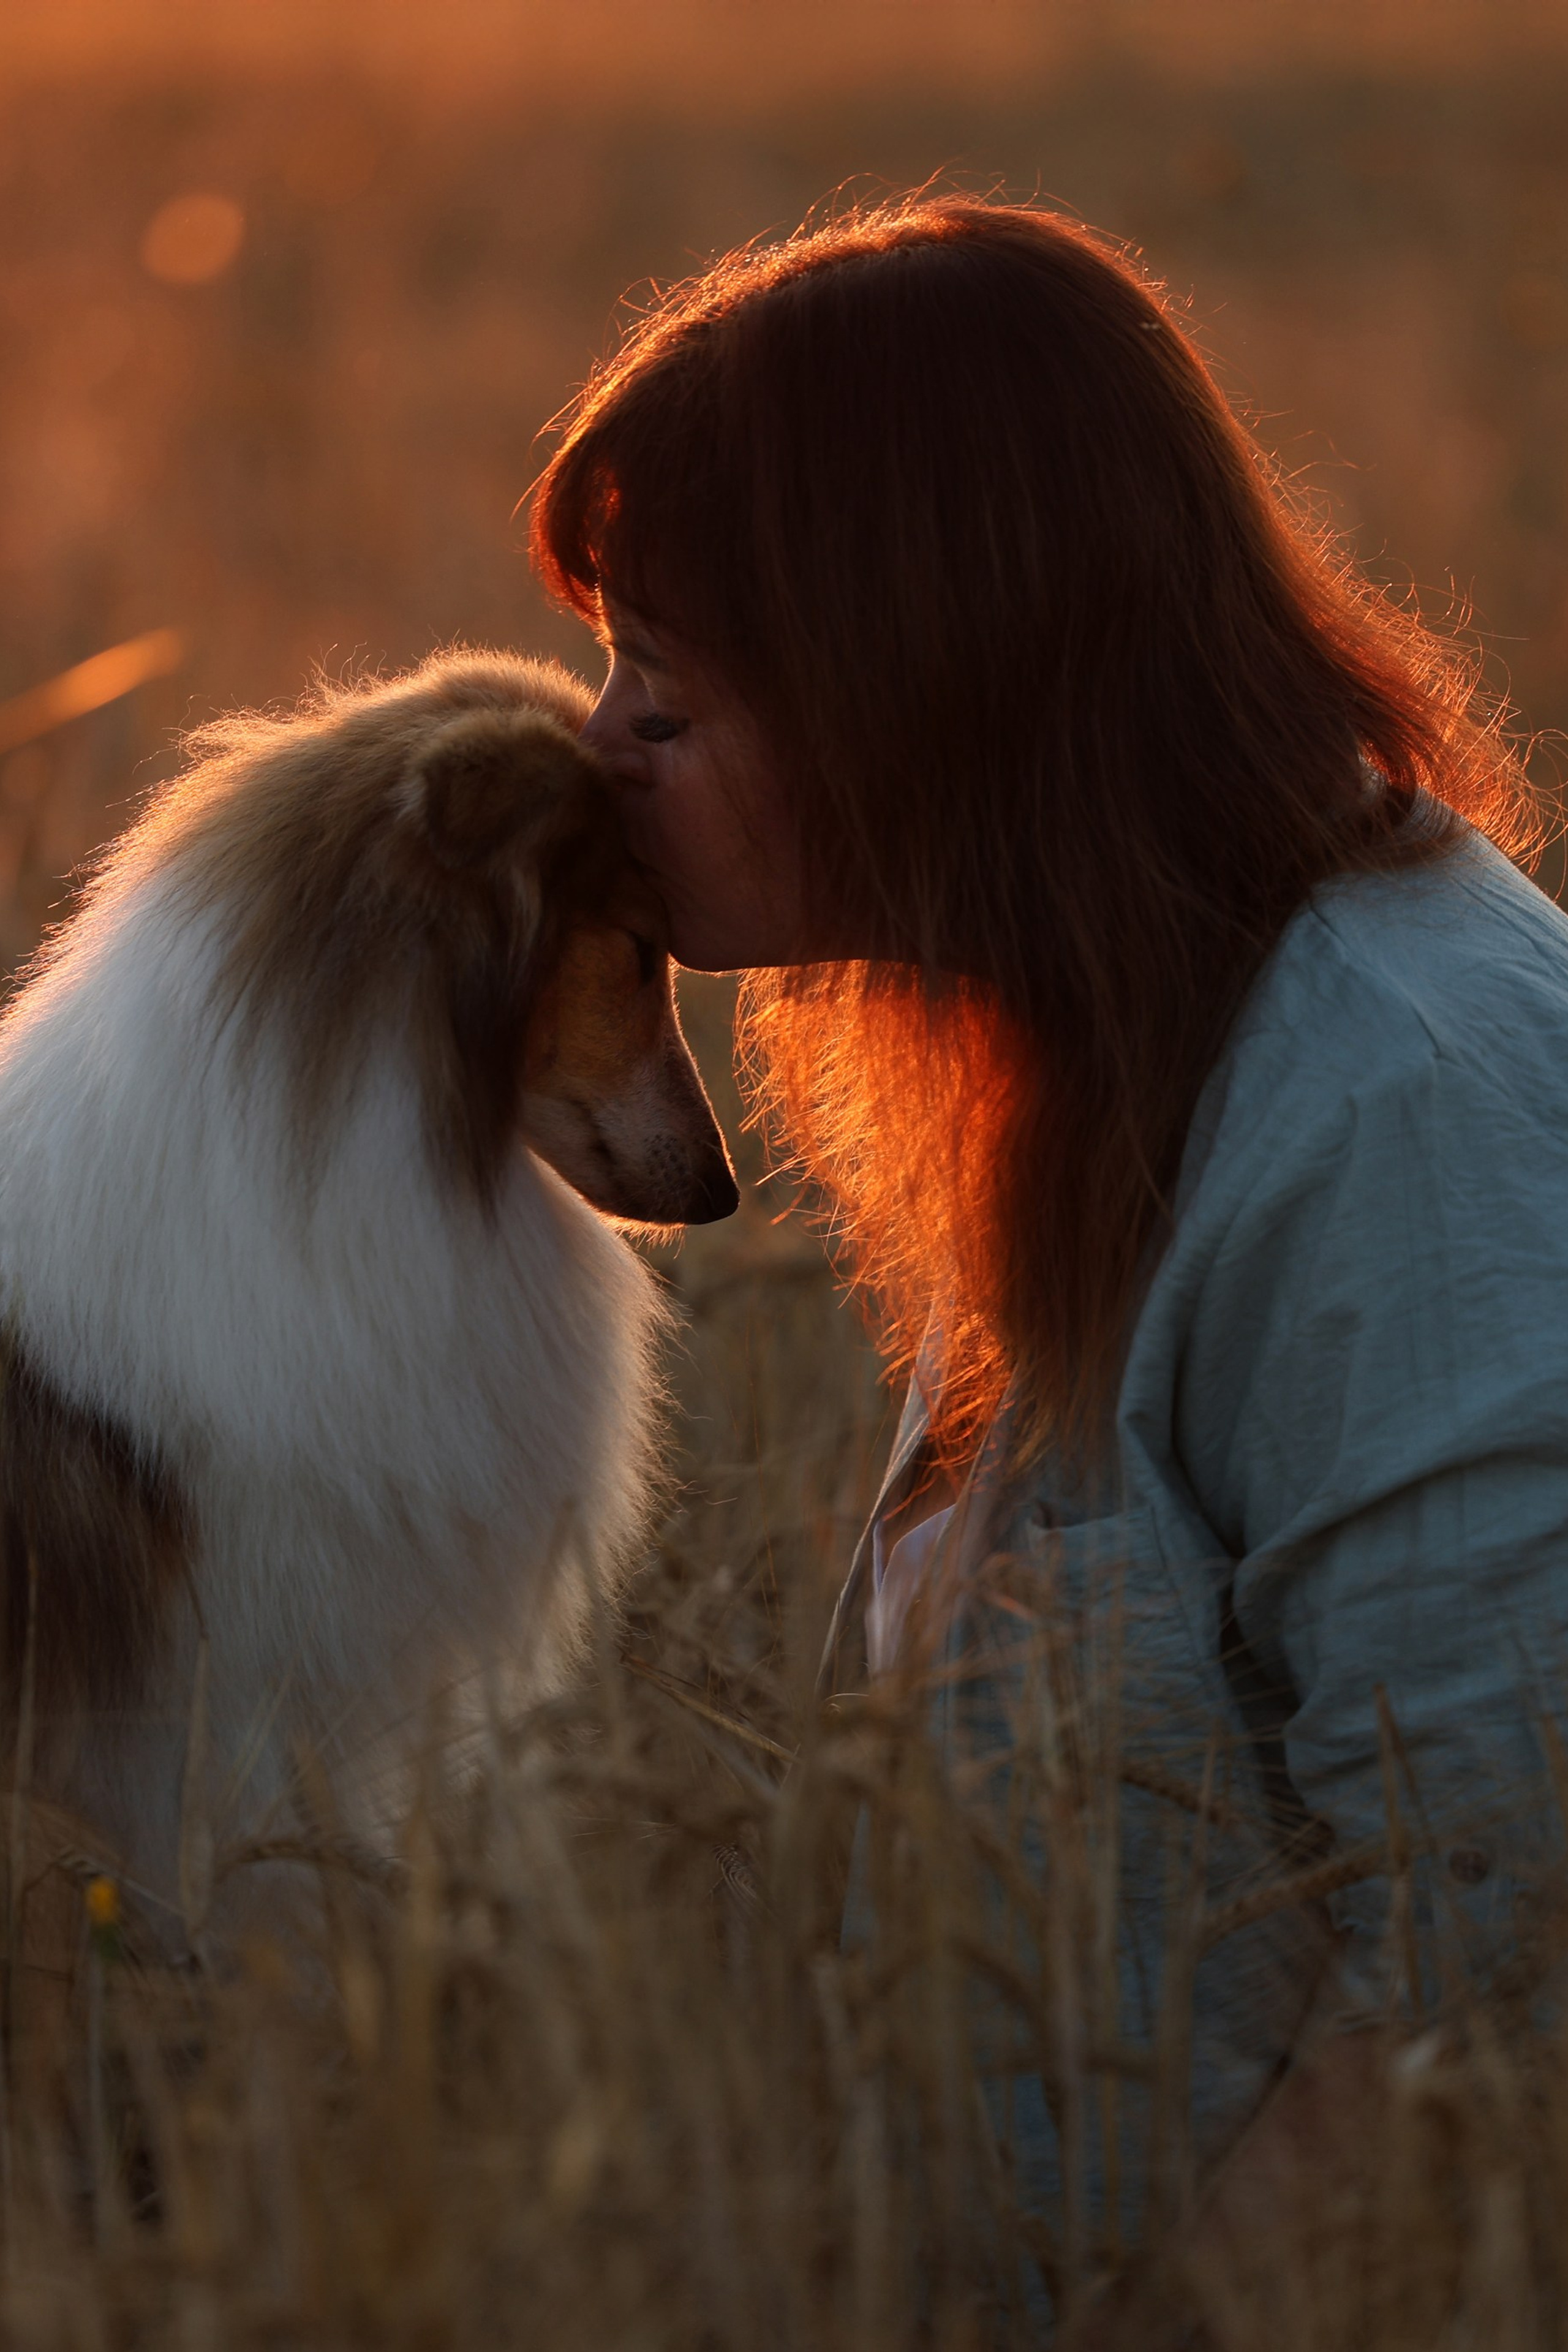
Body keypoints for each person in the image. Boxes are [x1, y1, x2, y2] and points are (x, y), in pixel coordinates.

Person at [531, 192, 1568, 2303]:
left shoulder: (1400, 1104)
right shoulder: (1114, 1028)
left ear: (924, 685)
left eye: (667, 686)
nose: (598, 751)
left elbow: (1509, 1947)